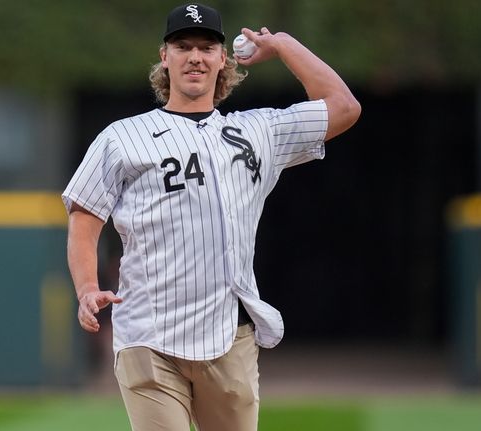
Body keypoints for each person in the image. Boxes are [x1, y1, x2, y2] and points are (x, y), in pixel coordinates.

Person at [62, 3, 360, 430]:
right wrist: (88, 287)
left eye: (206, 47)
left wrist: (283, 45)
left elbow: (343, 107)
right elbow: (85, 219)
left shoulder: (259, 131)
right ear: (165, 57)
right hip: (149, 334)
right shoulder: (122, 137)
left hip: (229, 335)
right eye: (183, 46)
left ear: (224, 59)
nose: (195, 56)